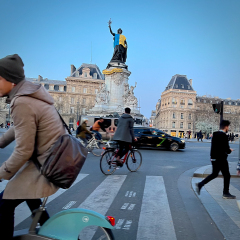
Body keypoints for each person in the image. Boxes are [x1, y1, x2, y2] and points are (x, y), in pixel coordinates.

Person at [0, 54, 66, 239]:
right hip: (52, 161)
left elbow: (23, 151)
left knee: (3, 204)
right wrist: (1, 142)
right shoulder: (31, 96)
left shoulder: (21, 101)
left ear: (11, 80)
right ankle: (54, 232)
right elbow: (21, 126)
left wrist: (2, 173)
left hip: (44, 165)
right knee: (30, 197)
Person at [195, 120, 235, 199]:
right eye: (228, 127)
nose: (228, 128)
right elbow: (226, 150)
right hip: (221, 159)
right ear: (226, 127)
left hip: (214, 158)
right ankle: (225, 192)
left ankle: (201, 184)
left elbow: (215, 147)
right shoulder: (224, 136)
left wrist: (212, 157)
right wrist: (230, 150)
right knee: (227, 175)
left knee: (214, 174)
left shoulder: (215, 134)